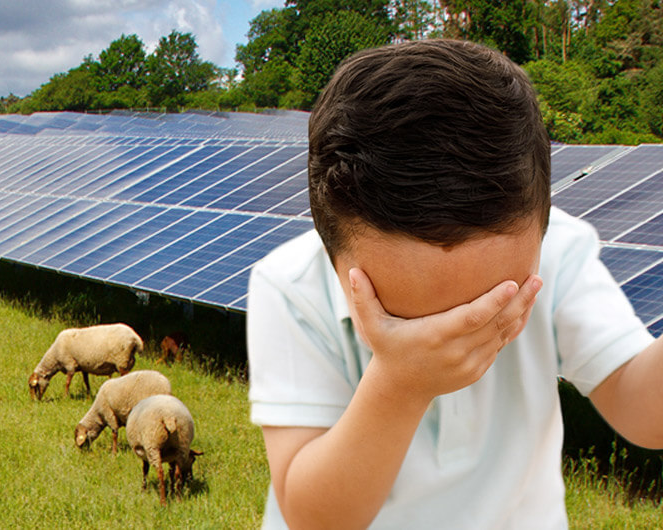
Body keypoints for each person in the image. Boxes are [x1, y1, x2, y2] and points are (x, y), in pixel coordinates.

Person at [246, 39, 663, 528]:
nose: (454, 333)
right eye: (405, 317)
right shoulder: (289, 287)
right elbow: (314, 516)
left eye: (499, 308)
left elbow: (643, 411)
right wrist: (399, 384)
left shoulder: (561, 252)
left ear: (543, 225)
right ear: (331, 251)